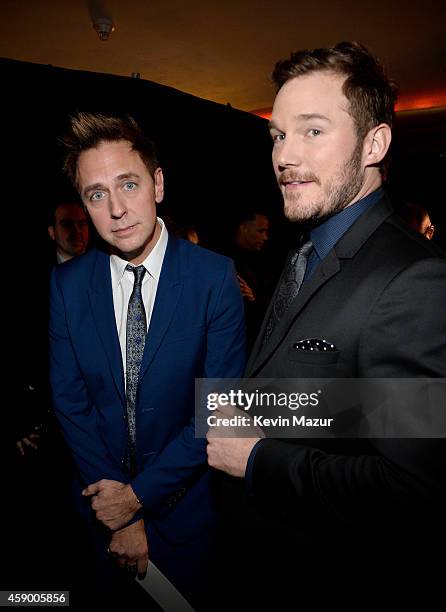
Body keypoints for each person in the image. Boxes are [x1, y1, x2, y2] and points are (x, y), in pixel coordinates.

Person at [207, 42, 446, 604]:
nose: (285, 155)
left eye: (312, 131)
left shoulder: (414, 280)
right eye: (278, 135)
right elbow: (339, 404)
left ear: (374, 143)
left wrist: (259, 459)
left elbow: (419, 488)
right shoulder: (308, 251)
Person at [50, 112, 245, 606]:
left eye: (128, 184)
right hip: (99, 516)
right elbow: (70, 405)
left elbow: (217, 408)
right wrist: (119, 512)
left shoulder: (213, 277)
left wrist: (137, 499)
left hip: (188, 516)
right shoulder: (68, 284)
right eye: (96, 194)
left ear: (157, 184)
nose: (116, 209)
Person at [228, 211, 273, 350]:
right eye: (261, 231)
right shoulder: (226, 262)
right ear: (244, 228)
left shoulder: (263, 261)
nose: (265, 237)